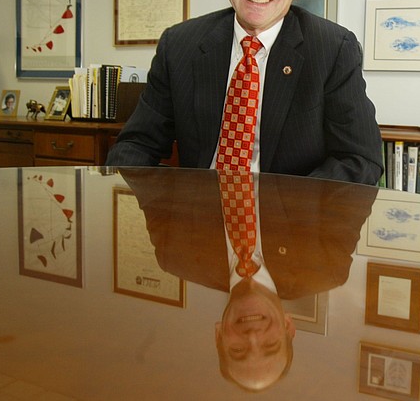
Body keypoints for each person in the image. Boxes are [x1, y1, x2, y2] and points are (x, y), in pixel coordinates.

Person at [106, 0, 383, 185]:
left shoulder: (333, 49)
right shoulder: (179, 45)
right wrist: (163, 209)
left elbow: (359, 160)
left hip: (292, 220)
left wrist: (290, 208)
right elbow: (137, 144)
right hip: (197, 217)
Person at [119, 167, 378, 391]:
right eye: (270, 345)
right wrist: (290, 192)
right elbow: (359, 172)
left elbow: (137, 168)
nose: (253, 336)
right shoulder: (326, 267)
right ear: (289, 327)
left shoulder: (174, 254)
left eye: (238, 351)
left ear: (218, 334)